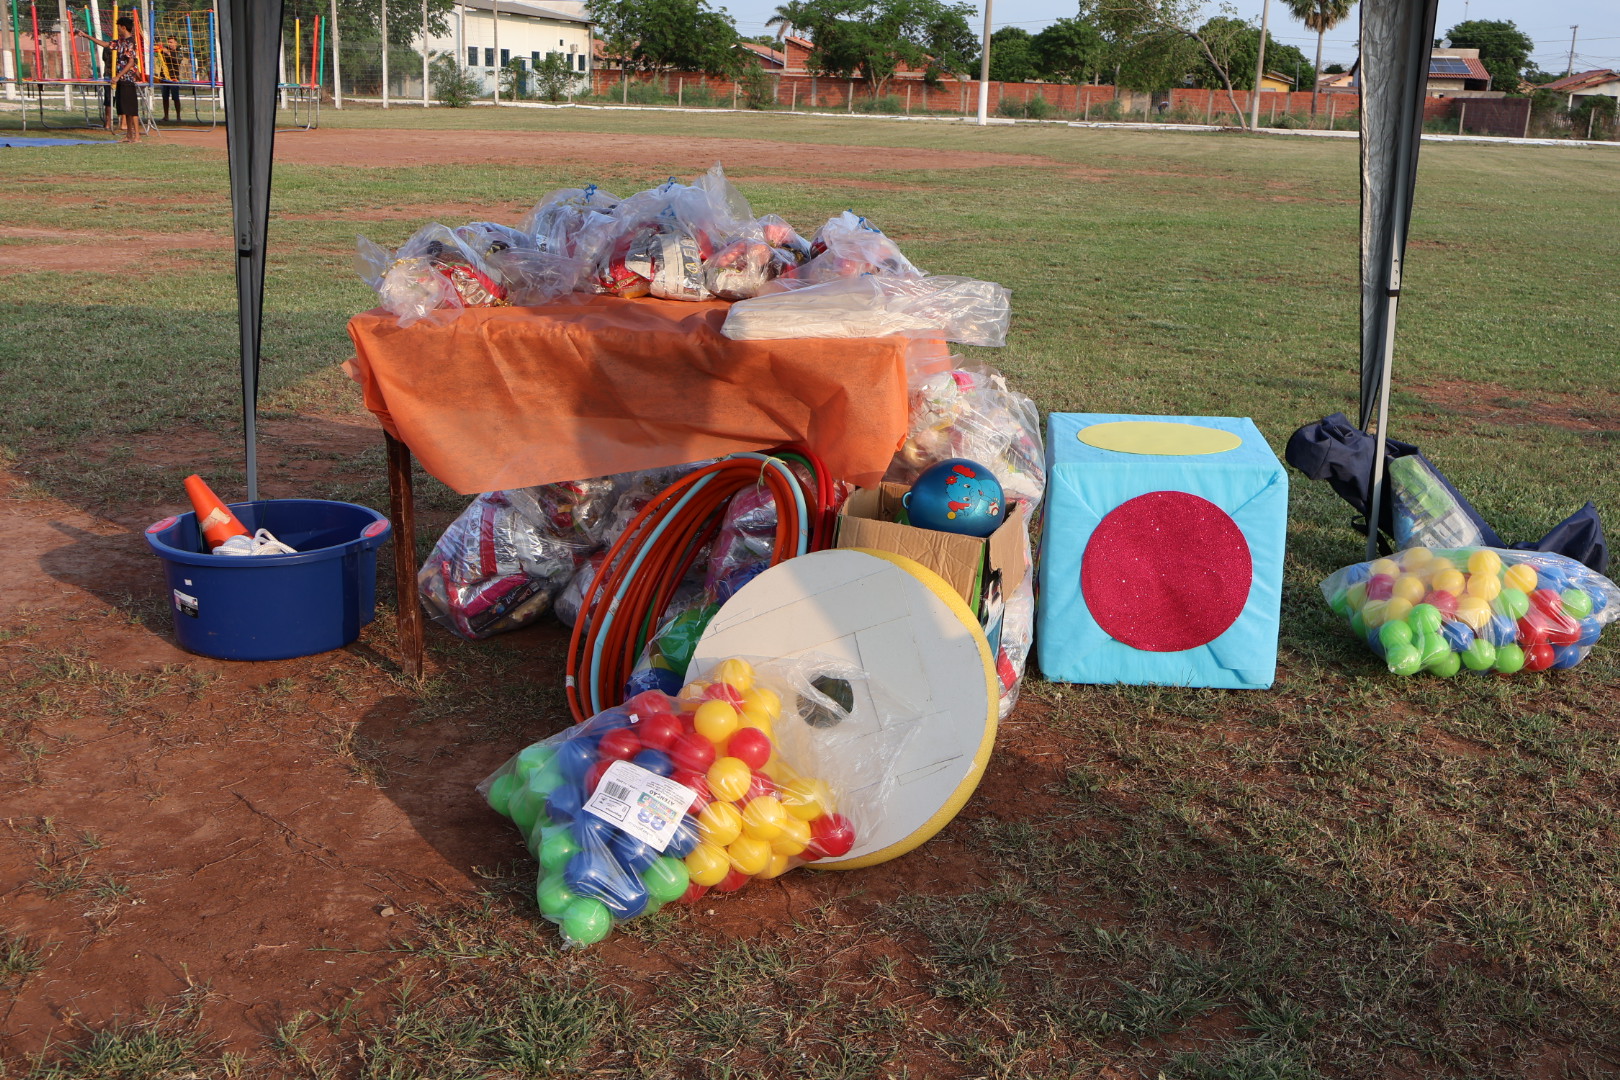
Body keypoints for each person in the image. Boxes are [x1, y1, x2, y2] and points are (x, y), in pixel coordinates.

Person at [76, 18, 141, 142]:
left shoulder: (130, 42)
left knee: (132, 109)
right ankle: (129, 135)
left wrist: (118, 75)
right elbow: (106, 44)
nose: (116, 29)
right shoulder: (121, 41)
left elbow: (131, 62)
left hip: (127, 79)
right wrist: (87, 36)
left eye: (118, 27)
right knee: (124, 109)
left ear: (123, 27)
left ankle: (137, 136)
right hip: (121, 80)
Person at [156, 35, 182, 122]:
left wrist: (168, 53)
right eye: (168, 42)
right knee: (165, 97)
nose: (169, 44)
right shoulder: (165, 49)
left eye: (171, 42)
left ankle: (178, 116)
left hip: (174, 77)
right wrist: (158, 46)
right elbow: (156, 49)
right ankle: (166, 116)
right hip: (164, 77)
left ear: (176, 43)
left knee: (175, 97)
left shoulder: (179, 51)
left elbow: (178, 61)